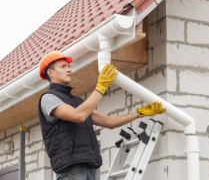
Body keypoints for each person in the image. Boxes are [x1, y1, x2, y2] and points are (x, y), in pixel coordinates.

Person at [38, 51, 166, 180]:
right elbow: (78, 116)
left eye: (68, 66)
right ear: (50, 72)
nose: (69, 69)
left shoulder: (78, 102)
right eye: (63, 66)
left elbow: (109, 122)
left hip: (89, 168)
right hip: (71, 171)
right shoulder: (49, 98)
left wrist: (140, 113)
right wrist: (101, 87)